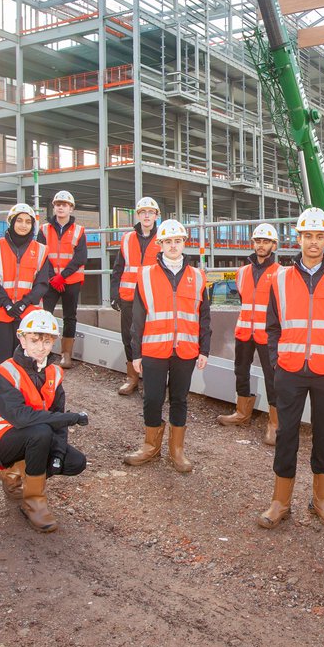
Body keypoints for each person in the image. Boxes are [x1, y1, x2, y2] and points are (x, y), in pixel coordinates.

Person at [258, 208, 324, 530]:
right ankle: (280, 501)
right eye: (307, 236)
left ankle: (321, 499)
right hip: (289, 370)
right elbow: (271, 327)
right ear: (298, 239)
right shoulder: (280, 279)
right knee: (286, 434)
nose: (313, 242)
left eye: (319, 236)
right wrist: (276, 362)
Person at [0, 309, 89, 533]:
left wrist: (57, 454)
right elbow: (22, 418)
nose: (41, 347)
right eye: (34, 340)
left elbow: (56, 416)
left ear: (53, 342)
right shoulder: (5, 372)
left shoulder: (53, 373)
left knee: (75, 462)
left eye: (47, 341)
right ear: (21, 339)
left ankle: (21, 473)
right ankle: (32, 501)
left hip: (33, 434)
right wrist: (70, 418)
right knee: (40, 432)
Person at [123, 219, 211, 473]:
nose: (173, 246)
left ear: (184, 243)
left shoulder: (197, 276)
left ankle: (177, 451)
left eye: (178, 241)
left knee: (179, 399)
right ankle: (150, 446)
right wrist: (136, 353)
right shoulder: (146, 275)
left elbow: (204, 315)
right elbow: (137, 318)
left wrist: (204, 348)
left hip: (185, 349)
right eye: (168, 241)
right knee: (152, 399)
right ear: (159, 245)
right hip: (154, 349)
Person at [217, 222, 281, 444]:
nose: (261, 245)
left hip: (267, 334)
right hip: (244, 330)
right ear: (253, 243)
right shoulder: (242, 272)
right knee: (240, 371)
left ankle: (274, 423)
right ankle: (242, 412)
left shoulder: (280, 273)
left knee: (272, 377)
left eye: (266, 241)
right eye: (258, 241)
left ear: (274, 245)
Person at [0, 203, 51, 370]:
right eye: (19, 220)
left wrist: (22, 304)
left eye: (28, 222)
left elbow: (42, 284)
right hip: (0, 313)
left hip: (28, 316)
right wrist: (6, 303)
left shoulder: (41, 250)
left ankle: (24, 395)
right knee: (0, 363)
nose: (23, 225)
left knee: (27, 362)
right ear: (11, 222)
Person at [110, 196, 161, 395]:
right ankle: (132, 378)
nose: (146, 216)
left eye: (150, 212)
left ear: (156, 215)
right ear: (138, 215)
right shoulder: (127, 238)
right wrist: (114, 294)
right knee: (129, 337)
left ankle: (150, 380)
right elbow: (117, 269)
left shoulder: (163, 239)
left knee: (151, 339)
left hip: (152, 300)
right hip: (128, 298)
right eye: (142, 212)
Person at [37, 190, 88, 370]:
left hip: (71, 281)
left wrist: (62, 276)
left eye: (64, 204)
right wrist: (53, 277)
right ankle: (43, 351)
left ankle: (66, 355)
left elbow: (80, 257)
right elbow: (40, 254)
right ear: (54, 207)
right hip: (50, 282)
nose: (60, 207)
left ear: (71, 209)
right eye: (58, 204)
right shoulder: (44, 230)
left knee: (70, 316)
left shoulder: (79, 230)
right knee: (45, 315)